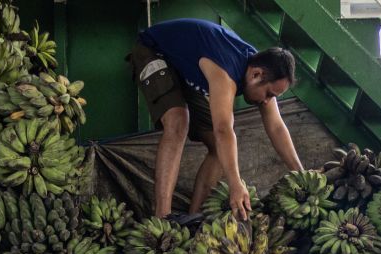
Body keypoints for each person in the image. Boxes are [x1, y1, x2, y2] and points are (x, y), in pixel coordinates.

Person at [129, 18, 304, 221]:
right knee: (178, 121)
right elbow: (223, 129)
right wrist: (235, 184)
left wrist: (300, 173)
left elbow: (276, 127)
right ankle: (162, 218)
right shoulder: (226, 71)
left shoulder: (262, 68)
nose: (267, 102)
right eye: (269, 94)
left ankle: (193, 218)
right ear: (257, 75)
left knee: (219, 148)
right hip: (154, 52)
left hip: (185, 68)